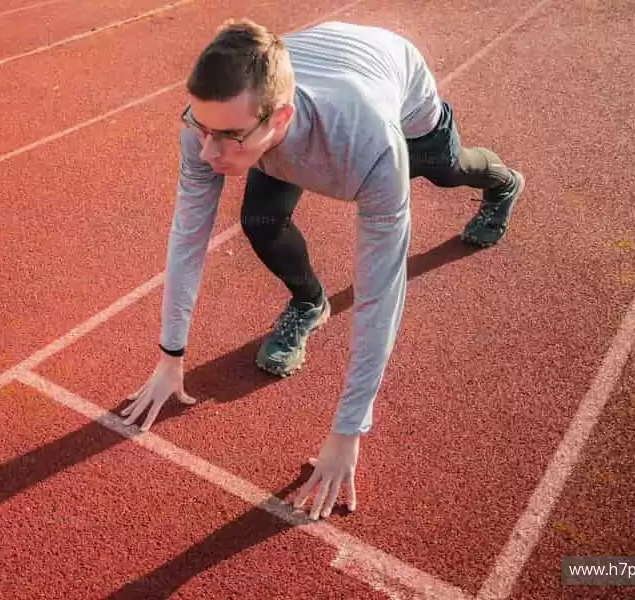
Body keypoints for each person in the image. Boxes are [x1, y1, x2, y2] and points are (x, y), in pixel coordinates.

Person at [119, 18, 524, 520]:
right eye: (202, 129)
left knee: (451, 169)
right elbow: (188, 235)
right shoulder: (210, 125)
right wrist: (170, 356)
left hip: (395, 92)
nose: (207, 151)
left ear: (279, 117)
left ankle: (503, 182)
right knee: (261, 220)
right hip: (306, 101)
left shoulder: (373, 145)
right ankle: (310, 302)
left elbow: (380, 291)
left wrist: (348, 430)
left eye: (226, 136)